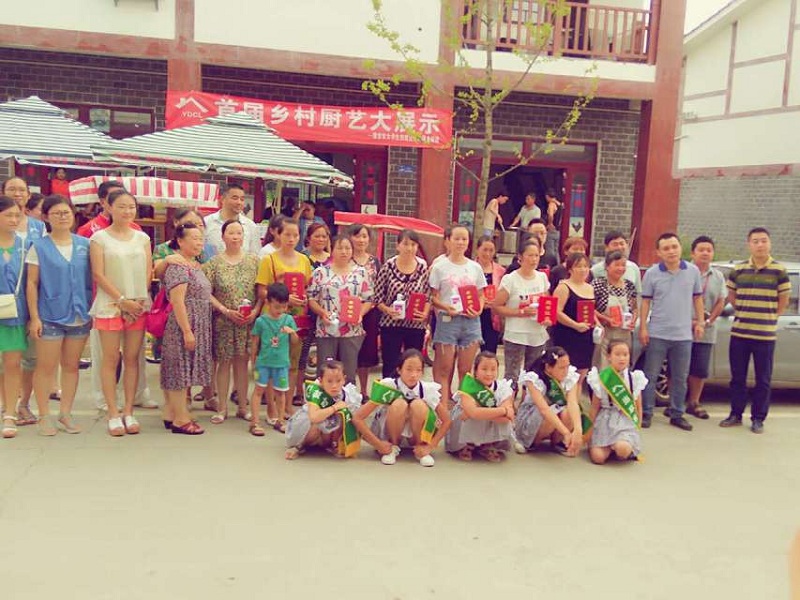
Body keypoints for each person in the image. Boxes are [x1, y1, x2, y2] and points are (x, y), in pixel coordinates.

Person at [79, 180, 154, 411]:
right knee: (109, 359)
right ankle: (111, 409)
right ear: (108, 207)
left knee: (133, 359)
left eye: (131, 207)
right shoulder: (98, 237)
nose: (127, 211)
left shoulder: (142, 237)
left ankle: (129, 409)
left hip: (137, 306)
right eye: (121, 206)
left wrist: (138, 300)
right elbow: (98, 274)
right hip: (109, 305)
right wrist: (122, 301)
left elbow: (148, 272)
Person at [26, 195, 91, 436]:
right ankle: (44, 415)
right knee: (46, 367)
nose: (62, 217)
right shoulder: (39, 247)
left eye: (66, 212)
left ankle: (65, 413)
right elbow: (32, 283)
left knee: (71, 366)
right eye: (56, 213)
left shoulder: (85, 245)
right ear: (46, 217)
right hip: (49, 314)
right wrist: (35, 317)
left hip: (80, 314)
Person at [720, 227, 791, 434]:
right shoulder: (739, 269)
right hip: (740, 333)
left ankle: (758, 418)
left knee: (763, 379)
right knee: (737, 378)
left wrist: (770, 317)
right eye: (756, 241)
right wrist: (744, 310)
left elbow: (783, 301)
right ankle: (735, 414)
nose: (760, 245)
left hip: (765, 335)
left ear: (770, 243)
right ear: (749, 244)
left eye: (764, 240)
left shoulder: (779, 271)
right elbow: (732, 296)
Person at [639, 232, 705, 431]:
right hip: (657, 333)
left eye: (674, 247)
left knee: (680, 377)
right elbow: (645, 302)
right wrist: (643, 327)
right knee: (650, 375)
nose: (671, 251)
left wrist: (701, 322)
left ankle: (677, 413)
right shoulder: (652, 274)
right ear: (659, 252)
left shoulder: (692, 271)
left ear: (680, 248)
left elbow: (697, 299)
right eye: (666, 248)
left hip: (683, 335)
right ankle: (647, 412)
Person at [204, 220, 260, 424]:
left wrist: (255, 312)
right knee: (223, 363)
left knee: (242, 363)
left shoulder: (254, 261)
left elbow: (261, 292)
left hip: (247, 322)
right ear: (222, 236)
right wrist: (225, 310)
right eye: (231, 233)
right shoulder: (213, 264)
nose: (236, 237)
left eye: (239, 233)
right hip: (223, 321)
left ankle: (243, 407)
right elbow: (206, 293)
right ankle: (222, 408)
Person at [353, 349, 449, 467]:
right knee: (399, 404)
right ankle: (393, 447)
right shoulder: (388, 386)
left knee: (418, 405)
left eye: (418, 370)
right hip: (390, 435)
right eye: (409, 369)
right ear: (399, 370)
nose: (413, 375)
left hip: (416, 437)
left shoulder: (427, 389)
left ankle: (420, 448)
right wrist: (378, 444)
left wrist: (430, 446)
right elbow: (357, 418)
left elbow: (447, 420)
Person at [2, 177, 48, 425]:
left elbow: (38, 274)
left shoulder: (37, 230)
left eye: (22, 190)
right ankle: (6, 405)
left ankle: (21, 405)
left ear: (29, 195)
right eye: (12, 189)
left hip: (26, 306)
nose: (17, 193)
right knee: (6, 362)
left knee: (28, 359)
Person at [256, 217, 313, 416]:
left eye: (295, 235)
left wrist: (304, 298)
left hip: (297, 319)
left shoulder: (304, 260)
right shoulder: (269, 260)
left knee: (292, 363)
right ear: (278, 234)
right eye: (287, 234)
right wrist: (285, 298)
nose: (291, 239)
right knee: (273, 362)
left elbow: (308, 287)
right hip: (273, 320)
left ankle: (287, 406)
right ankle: (272, 407)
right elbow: (261, 292)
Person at [160, 223, 212, 435]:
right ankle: (180, 419)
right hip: (184, 324)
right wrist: (187, 331)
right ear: (180, 241)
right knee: (179, 370)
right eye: (194, 238)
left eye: (201, 239)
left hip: (197, 322)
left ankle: (171, 413)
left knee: (184, 368)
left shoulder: (194, 264)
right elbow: (177, 301)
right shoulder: (178, 266)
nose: (199, 243)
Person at [429, 224, 486, 409]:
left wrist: (479, 309)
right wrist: (445, 307)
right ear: (448, 241)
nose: (461, 242)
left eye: (464, 239)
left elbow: (481, 294)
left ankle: (463, 408)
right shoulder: (439, 267)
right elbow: (433, 296)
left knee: (465, 369)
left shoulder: (475, 267)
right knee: (444, 369)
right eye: (457, 238)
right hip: (448, 320)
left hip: (471, 321)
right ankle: (443, 408)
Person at [307, 235, 373, 384]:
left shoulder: (361, 273)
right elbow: (311, 299)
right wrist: (322, 312)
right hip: (327, 328)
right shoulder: (320, 273)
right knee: (325, 369)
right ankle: (323, 398)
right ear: (332, 249)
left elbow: (368, 299)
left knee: (349, 372)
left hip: (352, 329)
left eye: (347, 248)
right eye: (340, 248)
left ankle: (348, 398)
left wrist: (360, 314)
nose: (344, 252)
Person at [493, 237, 552, 385]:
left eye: (536, 255)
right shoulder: (510, 279)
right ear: (520, 257)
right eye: (530, 255)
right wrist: (520, 312)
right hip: (516, 333)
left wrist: (547, 318)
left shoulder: (542, 277)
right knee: (512, 374)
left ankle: (528, 398)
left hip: (537, 332)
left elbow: (547, 302)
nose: (534, 259)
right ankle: (509, 398)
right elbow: (497, 306)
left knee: (533, 374)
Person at [374, 229, 430, 377]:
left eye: (413, 244)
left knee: (414, 364)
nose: (409, 248)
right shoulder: (388, 266)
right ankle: (389, 390)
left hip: (415, 324)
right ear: (398, 246)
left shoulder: (423, 267)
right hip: (391, 324)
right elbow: (377, 298)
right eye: (405, 244)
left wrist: (424, 313)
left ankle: (411, 390)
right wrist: (387, 310)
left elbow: (428, 295)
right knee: (390, 364)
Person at [284, 359, 362, 460]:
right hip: (307, 428)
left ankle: (334, 445)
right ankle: (299, 446)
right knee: (317, 424)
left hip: (327, 434)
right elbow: (314, 417)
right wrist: (335, 407)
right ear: (321, 381)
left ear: (344, 379)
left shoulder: (347, 394)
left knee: (344, 415)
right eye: (329, 381)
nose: (334, 385)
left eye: (338, 381)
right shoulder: (316, 391)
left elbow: (354, 418)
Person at [249, 283, 298, 436]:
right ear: (268, 302)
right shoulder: (261, 321)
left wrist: (292, 333)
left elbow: (295, 342)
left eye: (284, 307)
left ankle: (280, 420)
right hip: (263, 363)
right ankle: (255, 422)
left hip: (281, 364)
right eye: (277, 306)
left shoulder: (289, 320)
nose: (280, 310)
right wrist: (253, 360)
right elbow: (255, 342)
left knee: (281, 392)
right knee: (258, 390)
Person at [685, 236, 726, 420]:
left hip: (706, 329)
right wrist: (689, 321)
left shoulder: (718, 276)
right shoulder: (683, 272)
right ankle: (674, 403)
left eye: (709, 250)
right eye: (701, 250)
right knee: (677, 366)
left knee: (700, 368)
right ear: (693, 253)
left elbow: (721, 301)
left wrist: (707, 322)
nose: (705, 253)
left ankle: (694, 402)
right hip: (682, 326)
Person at [446, 351, 514, 462]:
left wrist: (481, 412)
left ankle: (488, 444)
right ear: (476, 370)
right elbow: (473, 412)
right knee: (465, 415)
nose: (489, 373)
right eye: (484, 369)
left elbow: (507, 418)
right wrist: (503, 410)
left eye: (493, 369)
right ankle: (467, 445)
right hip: (466, 421)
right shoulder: (469, 385)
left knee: (501, 420)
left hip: (484, 419)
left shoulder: (503, 387)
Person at [586, 340, 646, 464]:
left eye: (625, 354)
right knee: (598, 458)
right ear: (609, 356)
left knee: (623, 449)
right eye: (617, 354)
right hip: (605, 420)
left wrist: (637, 428)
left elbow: (638, 406)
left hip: (624, 420)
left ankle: (619, 447)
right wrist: (588, 433)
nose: (622, 358)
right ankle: (608, 447)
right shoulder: (602, 378)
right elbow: (594, 408)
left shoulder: (634, 378)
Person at [515, 346, 582, 456]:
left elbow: (573, 403)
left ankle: (558, 441)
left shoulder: (570, 375)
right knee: (551, 412)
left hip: (555, 411)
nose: (566, 371)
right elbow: (544, 409)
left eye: (567, 366)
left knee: (568, 412)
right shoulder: (534, 378)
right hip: (534, 415)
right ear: (548, 367)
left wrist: (578, 430)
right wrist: (566, 432)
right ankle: (530, 442)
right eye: (561, 368)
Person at [0, 195, 28, 439]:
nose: (14, 219)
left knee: (12, 363)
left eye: (17, 215)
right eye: (8, 215)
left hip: (15, 313)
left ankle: (10, 412)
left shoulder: (25, 244)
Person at [297, 222, 331, 403]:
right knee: (303, 351)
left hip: (327, 312)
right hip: (305, 309)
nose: (320, 239)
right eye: (317, 235)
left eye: (324, 236)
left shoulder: (332, 259)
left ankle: (320, 391)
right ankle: (298, 391)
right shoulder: (302, 258)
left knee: (321, 354)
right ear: (308, 238)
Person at [552, 252, 595, 388]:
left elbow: (591, 311)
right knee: (564, 373)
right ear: (570, 269)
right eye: (579, 266)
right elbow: (556, 312)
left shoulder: (590, 288)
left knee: (581, 374)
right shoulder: (563, 287)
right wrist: (575, 325)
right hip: (567, 335)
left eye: (586, 266)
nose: (583, 269)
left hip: (586, 336)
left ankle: (576, 399)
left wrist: (598, 324)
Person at [349, 224, 381, 394]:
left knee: (366, 353)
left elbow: (380, 286)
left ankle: (363, 391)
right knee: (348, 350)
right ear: (350, 238)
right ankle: (349, 390)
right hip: (348, 310)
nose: (361, 240)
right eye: (357, 236)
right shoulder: (345, 259)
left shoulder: (375, 261)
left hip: (370, 312)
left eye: (364, 236)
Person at [591, 250, 638, 365]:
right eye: (617, 265)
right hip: (605, 333)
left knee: (621, 366)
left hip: (624, 334)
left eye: (623, 265)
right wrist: (606, 319)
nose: (621, 268)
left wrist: (633, 320)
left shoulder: (629, 285)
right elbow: (590, 309)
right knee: (603, 366)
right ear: (607, 266)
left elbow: (635, 308)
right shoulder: (598, 284)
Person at [204, 183, 261, 255]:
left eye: (242, 199)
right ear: (222, 199)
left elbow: (256, 255)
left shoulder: (251, 226)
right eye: (235, 198)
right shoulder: (207, 223)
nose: (239, 202)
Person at [474, 235, 505, 354]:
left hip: (492, 315)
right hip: (473, 313)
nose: (487, 254)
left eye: (491, 250)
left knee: (489, 352)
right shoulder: (469, 267)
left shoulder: (500, 271)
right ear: (477, 250)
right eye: (484, 250)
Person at [590, 230, 642, 296]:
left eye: (622, 244)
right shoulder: (595, 270)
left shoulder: (634, 268)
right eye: (615, 244)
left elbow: (637, 294)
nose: (619, 247)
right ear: (606, 247)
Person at [544, 188, 563, 259]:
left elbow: (551, 215)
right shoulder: (559, 204)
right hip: (558, 229)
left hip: (552, 229)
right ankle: (557, 262)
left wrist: (550, 223)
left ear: (547, 196)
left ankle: (550, 263)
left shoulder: (551, 204)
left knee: (550, 250)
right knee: (556, 250)